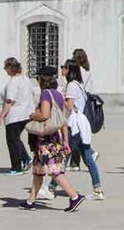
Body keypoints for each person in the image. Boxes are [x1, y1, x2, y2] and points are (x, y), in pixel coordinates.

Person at [25, 67, 84, 211]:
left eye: (38, 78)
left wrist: (33, 116)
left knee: (55, 171)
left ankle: (74, 196)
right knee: (38, 171)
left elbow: (44, 115)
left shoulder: (45, 94)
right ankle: (30, 201)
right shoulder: (58, 94)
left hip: (46, 140)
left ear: (42, 79)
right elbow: (62, 120)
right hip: (54, 137)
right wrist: (65, 141)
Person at [62, 59, 105, 200]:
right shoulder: (79, 85)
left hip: (75, 125)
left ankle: (50, 188)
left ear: (70, 70)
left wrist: (59, 98)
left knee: (64, 155)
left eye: (64, 67)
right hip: (82, 124)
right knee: (87, 158)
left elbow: (69, 106)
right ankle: (97, 190)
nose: (61, 70)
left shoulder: (71, 86)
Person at [0, 57, 35, 174]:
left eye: (6, 68)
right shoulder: (26, 79)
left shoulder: (13, 81)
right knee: (16, 139)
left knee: (12, 141)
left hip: (15, 115)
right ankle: (26, 158)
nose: (5, 70)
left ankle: (16, 166)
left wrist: (1, 117)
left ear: (10, 68)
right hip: (27, 113)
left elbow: (9, 101)